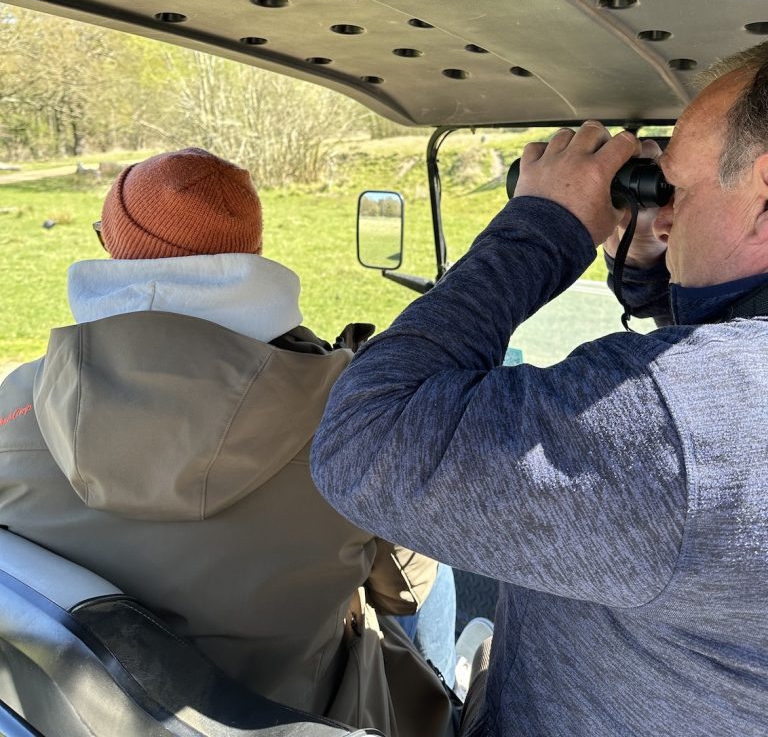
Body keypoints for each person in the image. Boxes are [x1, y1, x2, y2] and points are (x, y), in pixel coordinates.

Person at [311, 45, 768, 736]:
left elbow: (365, 442)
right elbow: (730, 344)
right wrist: (654, 265)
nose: (664, 215)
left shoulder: (682, 426)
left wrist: (543, 225)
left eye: (675, 189)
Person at [0, 147, 452, 737]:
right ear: (253, 253)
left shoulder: (16, 406)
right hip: (303, 718)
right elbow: (405, 589)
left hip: (77, 716)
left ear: (114, 250)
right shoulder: (347, 413)